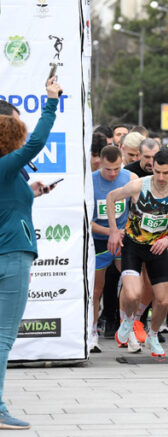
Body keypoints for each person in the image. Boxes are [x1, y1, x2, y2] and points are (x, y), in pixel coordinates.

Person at [0, 77, 61, 430]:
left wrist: (31, 192)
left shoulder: (11, 174)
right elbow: (38, 141)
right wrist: (51, 101)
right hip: (12, 254)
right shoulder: (9, 164)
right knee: (4, 338)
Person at [107, 149, 168, 357]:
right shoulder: (139, 185)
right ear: (152, 168)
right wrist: (114, 231)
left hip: (158, 247)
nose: (161, 178)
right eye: (157, 172)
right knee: (133, 293)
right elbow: (111, 198)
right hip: (133, 245)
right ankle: (128, 320)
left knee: (163, 300)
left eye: (166, 173)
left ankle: (152, 335)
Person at [90, 146, 137, 353]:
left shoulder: (130, 177)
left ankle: (128, 329)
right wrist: (111, 232)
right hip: (100, 240)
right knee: (96, 288)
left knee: (130, 286)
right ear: (100, 163)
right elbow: (87, 221)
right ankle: (92, 332)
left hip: (123, 239)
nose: (113, 173)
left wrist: (122, 232)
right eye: (108, 169)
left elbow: (137, 211)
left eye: (117, 168)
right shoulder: (89, 181)